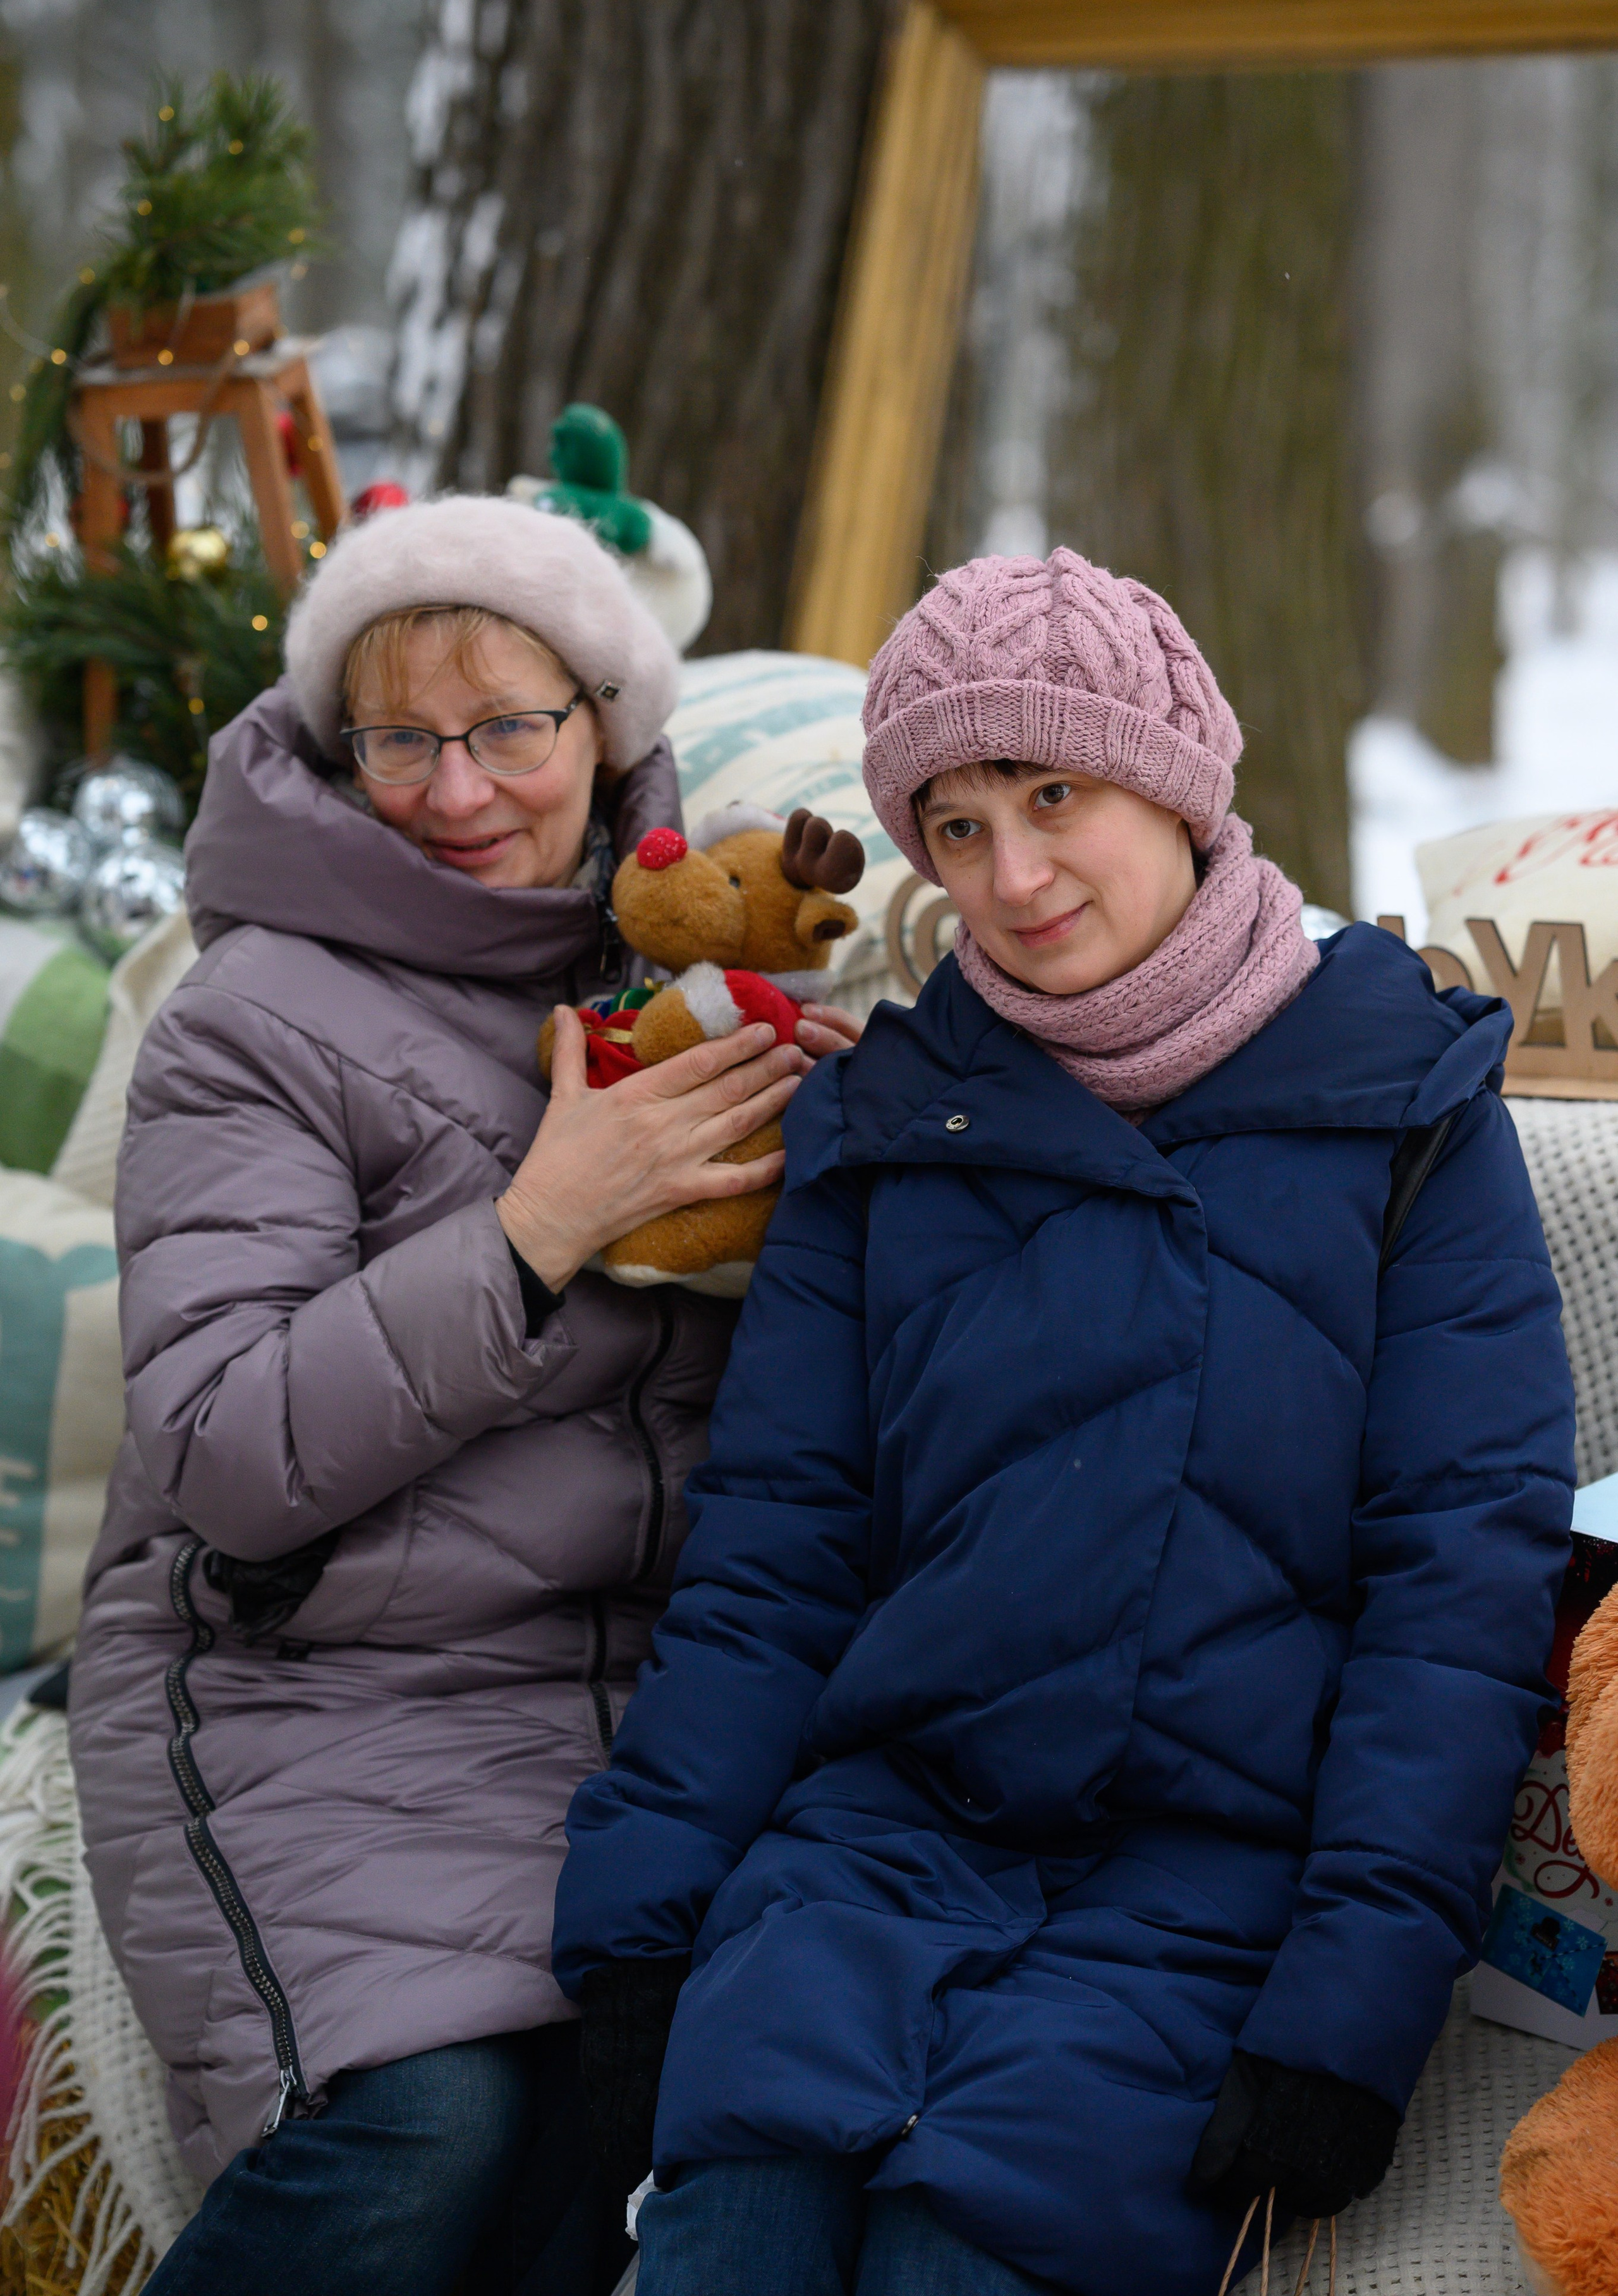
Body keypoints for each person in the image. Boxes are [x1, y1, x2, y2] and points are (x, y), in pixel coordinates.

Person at [552, 548, 1577, 2296]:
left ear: (1176, 782)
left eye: (1054, 794)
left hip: (1207, 1908)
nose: (1013, 877)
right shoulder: (887, 1130)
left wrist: (1346, 2022)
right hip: (866, 1868)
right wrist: (642, 1933)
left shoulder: (1405, 1110)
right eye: (954, 828)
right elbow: (776, 1561)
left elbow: (1455, 1605)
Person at [67, 494, 857, 2296]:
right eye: (402, 738)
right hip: (307, 1680)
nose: (458, 787)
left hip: (636, 1708)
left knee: (625, 2133)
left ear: (606, 726)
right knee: (429, 2129)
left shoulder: (684, 976)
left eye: (513, 727)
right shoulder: (249, 1021)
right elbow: (229, 1456)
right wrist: (539, 1224)